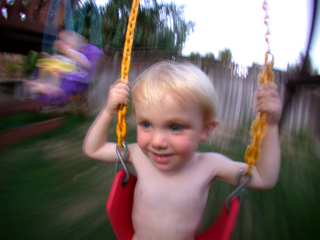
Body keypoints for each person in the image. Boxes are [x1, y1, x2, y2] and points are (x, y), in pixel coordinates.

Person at [83, 61, 282, 240]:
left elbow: (264, 178)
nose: (158, 141)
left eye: (175, 127)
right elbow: (94, 149)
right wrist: (108, 110)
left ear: (205, 130)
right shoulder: (138, 155)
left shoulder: (210, 165)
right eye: (146, 124)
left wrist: (271, 125)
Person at [24, 30, 91, 98]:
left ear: (72, 45)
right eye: (58, 40)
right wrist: (48, 57)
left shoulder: (75, 54)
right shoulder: (59, 56)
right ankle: (39, 84)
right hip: (54, 72)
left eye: (63, 41)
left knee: (55, 75)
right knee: (45, 69)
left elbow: (88, 65)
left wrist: (70, 54)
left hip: (67, 76)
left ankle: (46, 88)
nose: (56, 42)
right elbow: (54, 61)